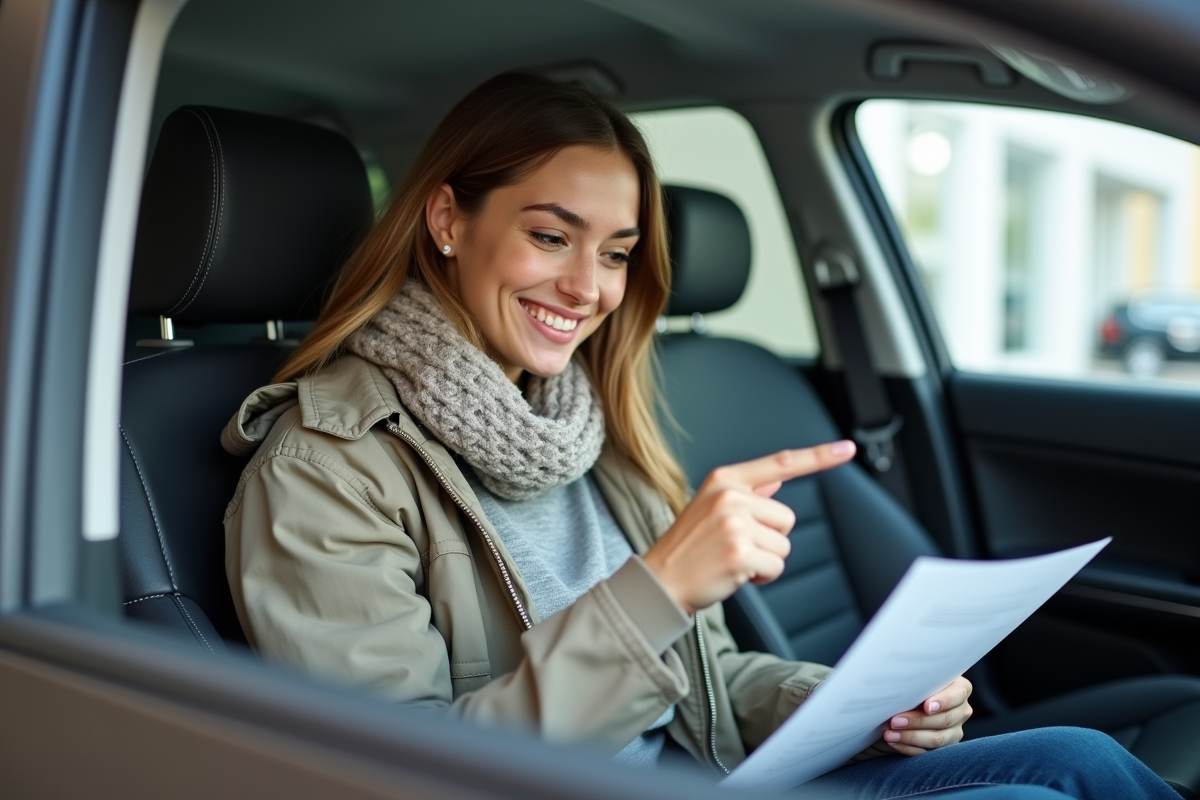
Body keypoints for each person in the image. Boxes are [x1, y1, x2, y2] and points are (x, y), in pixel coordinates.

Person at [221, 73, 1181, 799]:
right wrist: (663, 584)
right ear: (445, 219)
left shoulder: (590, 423)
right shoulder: (323, 465)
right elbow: (409, 768)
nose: (588, 288)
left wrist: (859, 708)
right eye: (551, 237)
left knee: (1079, 759)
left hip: (716, 777)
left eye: (616, 253)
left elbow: (707, 682)